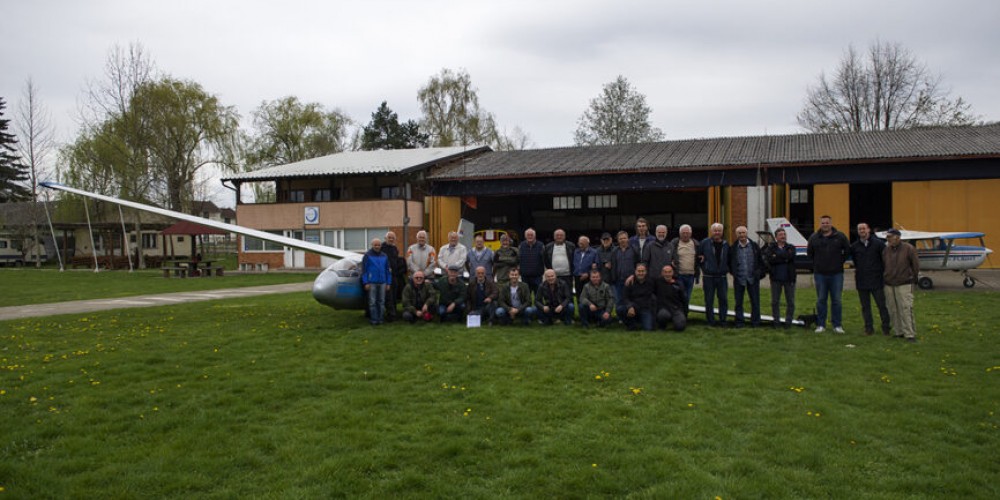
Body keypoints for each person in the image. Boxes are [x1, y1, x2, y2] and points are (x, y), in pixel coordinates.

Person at [807, 215, 850, 333]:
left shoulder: (840, 236)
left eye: (827, 223)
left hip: (836, 274)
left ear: (831, 224)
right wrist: (817, 264)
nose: (825, 225)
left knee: (836, 300)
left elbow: (847, 251)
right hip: (820, 274)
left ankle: (837, 325)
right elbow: (809, 252)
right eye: (823, 223)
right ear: (820, 224)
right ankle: (821, 325)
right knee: (821, 300)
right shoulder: (814, 237)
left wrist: (839, 262)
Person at [851, 222, 891, 336]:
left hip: (877, 280)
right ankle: (868, 328)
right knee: (865, 307)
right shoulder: (854, 247)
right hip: (862, 281)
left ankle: (886, 328)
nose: (862, 231)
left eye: (864, 228)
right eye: (859, 229)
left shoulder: (879, 244)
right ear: (857, 231)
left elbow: (885, 260)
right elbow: (855, 261)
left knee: (882, 306)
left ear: (868, 230)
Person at [883, 228, 920, 342]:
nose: (888, 239)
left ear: (897, 237)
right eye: (887, 237)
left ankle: (909, 333)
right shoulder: (886, 250)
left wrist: (912, 278)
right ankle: (898, 331)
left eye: (890, 237)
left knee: (905, 308)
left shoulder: (908, 248)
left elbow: (915, 265)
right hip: (889, 283)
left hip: (904, 283)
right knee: (893, 309)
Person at [728, 226, 765, 328]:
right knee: (738, 302)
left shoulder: (754, 246)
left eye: (743, 233)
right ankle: (739, 322)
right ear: (737, 235)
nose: (742, 235)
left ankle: (756, 322)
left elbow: (761, 261)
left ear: (746, 233)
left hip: (752, 278)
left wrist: (758, 273)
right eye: (739, 233)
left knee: (755, 302)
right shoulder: (733, 248)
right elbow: (730, 263)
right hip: (739, 279)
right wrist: (734, 273)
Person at [697, 222, 730, 327]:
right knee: (709, 300)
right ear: (711, 232)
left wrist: (727, 268)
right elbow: (698, 257)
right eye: (715, 230)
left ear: (722, 232)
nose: (717, 232)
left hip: (722, 277)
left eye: (719, 230)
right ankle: (710, 321)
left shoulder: (726, 244)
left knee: (723, 299)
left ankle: (723, 320)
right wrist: (704, 267)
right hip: (708, 277)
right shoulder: (704, 243)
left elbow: (730, 259)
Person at [763, 227, 797, 328]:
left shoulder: (791, 247)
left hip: (789, 279)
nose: (783, 236)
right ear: (776, 237)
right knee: (775, 302)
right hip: (776, 279)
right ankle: (776, 322)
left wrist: (777, 256)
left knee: (790, 302)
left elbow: (790, 256)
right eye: (781, 235)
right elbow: (769, 259)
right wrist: (783, 258)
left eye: (784, 234)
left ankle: (788, 322)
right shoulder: (771, 248)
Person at [361, 238, 392, 326]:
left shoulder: (384, 256)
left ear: (381, 245)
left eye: (378, 245)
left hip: (383, 282)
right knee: (372, 302)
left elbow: (388, 270)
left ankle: (380, 319)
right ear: (372, 245)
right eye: (375, 245)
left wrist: (388, 283)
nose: (377, 246)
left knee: (381, 301)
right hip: (372, 282)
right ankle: (374, 320)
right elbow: (364, 270)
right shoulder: (367, 255)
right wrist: (366, 282)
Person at [670, 224, 699, 310]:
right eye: (683, 233)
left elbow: (700, 255)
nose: (685, 235)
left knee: (687, 297)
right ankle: (679, 314)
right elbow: (668, 254)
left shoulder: (696, 244)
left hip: (691, 276)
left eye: (687, 233)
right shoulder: (674, 243)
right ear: (679, 233)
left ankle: (684, 314)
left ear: (691, 233)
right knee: (681, 296)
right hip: (679, 275)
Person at [620, 263, 656, 331]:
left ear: (646, 272)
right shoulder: (629, 282)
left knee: (648, 329)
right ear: (635, 271)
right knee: (620, 309)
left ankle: (639, 321)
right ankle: (631, 324)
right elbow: (625, 297)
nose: (641, 273)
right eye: (639, 271)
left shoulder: (651, 282)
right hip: (633, 307)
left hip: (645, 308)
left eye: (643, 271)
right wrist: (630, 306)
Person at [609, 230, 639, 310]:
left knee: (632, 299)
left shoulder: (634, 250)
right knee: (619, 300)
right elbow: (613, 265)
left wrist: (634, 276)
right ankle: (621, 318)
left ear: (628, 239)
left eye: (624, 238)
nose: (622, 240)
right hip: (618, 280)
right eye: (620, 238)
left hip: (632, 280)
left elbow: (638, 264)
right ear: (618, 240)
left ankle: (633, 316)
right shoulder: (614, 251)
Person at [654, 265, 687, 332]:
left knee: (680, 327)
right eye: (665, 272)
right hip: (663, 308)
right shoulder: (657, 282)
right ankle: (662, 326)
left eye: (669, 272)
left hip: (676, 308)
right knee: (663, 315)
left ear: (673, 273)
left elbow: (684, 299)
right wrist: (633, 276)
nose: (667, 274)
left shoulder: (678, 284)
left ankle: (676, 322)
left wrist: (685, 312)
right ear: (662, 273)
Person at [382, 231, 406, 321]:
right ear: (385, 239)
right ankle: (390, 315)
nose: (391, 239)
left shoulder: (394, 248)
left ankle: (394, 313)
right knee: (388, 296)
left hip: (395, 276)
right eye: (389, 238)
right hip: (386, 276)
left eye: (393, 238)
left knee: (394, 296)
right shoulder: (382, 248)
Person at [518, 228, 545, 293]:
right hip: (525, 276)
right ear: (525, 236)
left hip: (537, 276)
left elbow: (545, 259)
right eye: (528, 235)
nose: (530, 236)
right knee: (526, 296)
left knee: (538, 296)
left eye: (531, 235)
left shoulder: (541, 245)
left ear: (535, 236)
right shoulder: (521, 246)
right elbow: (518, 259)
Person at [573, 235, 600, 302]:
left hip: (588, 278)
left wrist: (588, 273)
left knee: (589, 296)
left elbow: (597, 266)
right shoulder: (576, 252)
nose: (580, 245)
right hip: (577, 277)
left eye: (582, 243)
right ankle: (580, 310)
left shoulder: (594, 252)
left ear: (587, 243)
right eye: (579, 243)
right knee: (579, 295)